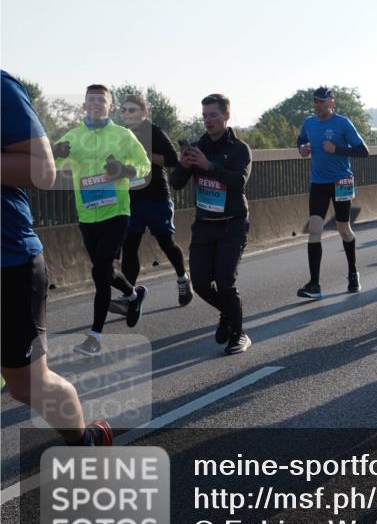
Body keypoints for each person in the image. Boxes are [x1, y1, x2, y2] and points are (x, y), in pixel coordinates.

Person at [2, 70, 113, 446]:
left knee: (28, 385)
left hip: (8, 263)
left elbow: (44, 170)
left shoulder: (2, 88)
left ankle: (85, 441)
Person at [52, 84, 151, 357]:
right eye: (91, 100)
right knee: (103, 269)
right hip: (87, 214)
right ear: (84, 105)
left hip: (116, 211)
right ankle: (133, 295)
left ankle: (94, 337)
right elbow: (51, 171)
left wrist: (125, 169)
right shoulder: (73, 136)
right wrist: (56, 153)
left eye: (102, 100)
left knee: (100, 272)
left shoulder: (123, 135)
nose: (96, 104)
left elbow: (145, 166)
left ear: (111, 107)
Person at [170, 93, 253, 355]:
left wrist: (209, 165)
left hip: (232, 225)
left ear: (226, 116)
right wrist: (183, 166)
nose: (208, 120)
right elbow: (176, 184)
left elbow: (239, 182)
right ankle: (228, 313)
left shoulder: (240, 149)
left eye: (213, 115)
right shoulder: (197, 148)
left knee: (225, 282)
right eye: (204, 116)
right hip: (205, 225)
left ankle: (239, 334)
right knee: (202, 284)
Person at [113, 93, 191, 312]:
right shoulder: (121, 135)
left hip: (156, 197)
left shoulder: (153, 132)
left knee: (166, 242)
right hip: (132, 198)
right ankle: (130, 295)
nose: (127, 114)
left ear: (143, 113)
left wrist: (143, 153)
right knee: (129, 247)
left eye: (132, 110)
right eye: (125, 110)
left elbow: (172, 160)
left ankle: (183, 279)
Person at [296, 87, 369, 298]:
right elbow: (301, 140)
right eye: (315, 101)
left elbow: (363, 151)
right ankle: (314, 284)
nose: (316, 105)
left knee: (343, 229)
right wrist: (303, 148)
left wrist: (337, 149)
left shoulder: (343, 123)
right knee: (315, 229)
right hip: (318, 183)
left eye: (321, 101)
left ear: (331, 102)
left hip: (341, 181)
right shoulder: (309, 123)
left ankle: (353, 273)